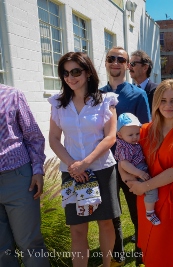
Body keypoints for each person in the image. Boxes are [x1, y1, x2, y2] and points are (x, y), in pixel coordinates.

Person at [48, 52, 120, 267]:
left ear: (88, 72)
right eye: (66, 73)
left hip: (101, 169)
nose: (70, 77)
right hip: (71, 172)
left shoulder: (106, 101)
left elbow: (110, 137)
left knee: (106, 223)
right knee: (77, 228)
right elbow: (53, 139)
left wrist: (85, 163)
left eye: (76, 71)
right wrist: (74, 165)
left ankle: (107, 265)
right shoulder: (58, 104)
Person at [120, 79, 173, 267]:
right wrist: (126, 178)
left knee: (166, 250)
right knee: (149, 248)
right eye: (163, 100)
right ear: (156, 102)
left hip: (169, 197)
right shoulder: (145, 130)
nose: (168, 105)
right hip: (146, 198)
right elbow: (124, 154)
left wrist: (143, 186)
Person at [100, 46, 151, 266]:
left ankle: (142, 254)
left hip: (132, 165)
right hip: (106, 164)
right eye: (111, 58)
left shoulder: (137, 94)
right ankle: (117, 256)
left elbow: (146, 131)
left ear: (127, 65)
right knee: (112, 214)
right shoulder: (97, 94)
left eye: (121, 59)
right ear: (106, 62)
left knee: (137, 212)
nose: (115, 62)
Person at [0, 84, 50, 267]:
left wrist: (37, 169)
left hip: (18, 179)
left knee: (29, 244)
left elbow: (33, 136)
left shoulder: (12, 95)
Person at [115, 113, 160, 226]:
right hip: (136, 170)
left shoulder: (131, 143)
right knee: (151, 190)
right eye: (130, 135)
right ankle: (150, 212)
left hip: (140, 168)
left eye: (137, 133)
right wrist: (139, 173)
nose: (135, 137)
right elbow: (124, 164)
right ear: (120, 135)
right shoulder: (123, 147)